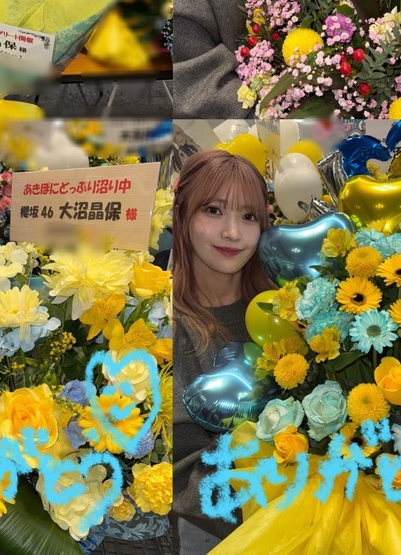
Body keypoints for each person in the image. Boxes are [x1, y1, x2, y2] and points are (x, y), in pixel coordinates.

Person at [172, 149, 275, 553]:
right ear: (182, 215)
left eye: (249, 216)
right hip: (222, 535)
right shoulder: (168, 325)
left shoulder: (285, 307)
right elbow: (182, 473)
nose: (232, 232)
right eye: (213, 210)